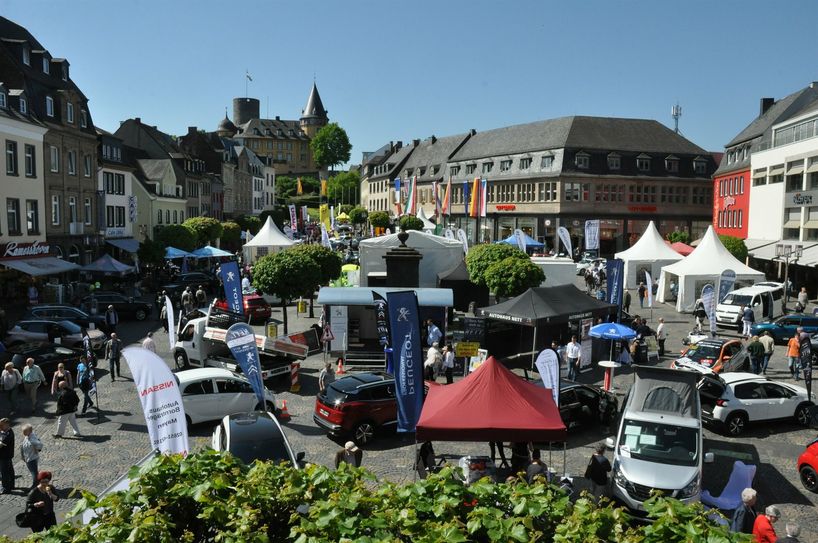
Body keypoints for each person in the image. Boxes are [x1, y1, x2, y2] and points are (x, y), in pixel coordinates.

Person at [19, 423, 43, 489]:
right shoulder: (27, 437)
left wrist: (38, 449)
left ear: (30, 431)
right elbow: (23, 446)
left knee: (34, 472)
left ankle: (35, 485)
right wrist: (23, 455)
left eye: (25, 431)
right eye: (23, 431)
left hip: (32, 458)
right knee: (34, 471)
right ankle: (38, 483)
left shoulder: (32, 439)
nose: (23, 432)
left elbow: (40, 444)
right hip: (28, 457)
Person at [0, 418, 14, 493]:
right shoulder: (5, 431)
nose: (0, 426)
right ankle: (12, 485)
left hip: (5, 456)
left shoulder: (8, 434)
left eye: (2, 425)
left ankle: (6, 488)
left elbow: (1, 444)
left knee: (4, 472)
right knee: (10, 470)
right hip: (7, 455)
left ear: (7, 424)